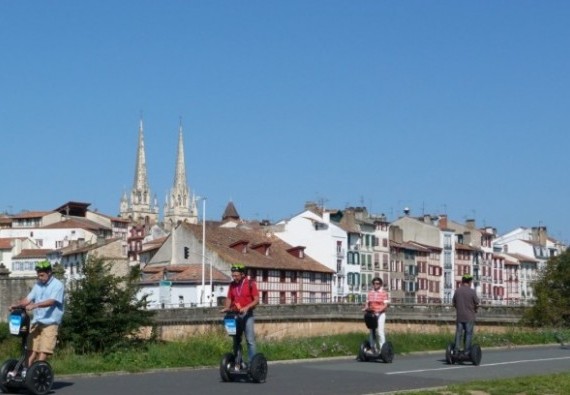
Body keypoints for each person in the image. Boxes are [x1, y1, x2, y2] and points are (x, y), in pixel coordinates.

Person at [9, 260, 65, 377]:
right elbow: (27, 300)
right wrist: (17, 305)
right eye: (38, 275)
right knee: (30, 348)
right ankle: (25, 372)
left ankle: (35, 374)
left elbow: (51, 301)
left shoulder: (58, 285)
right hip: (37, 322)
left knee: (44, 350)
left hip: (50, 323)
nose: (39, 278)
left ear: (49, 272)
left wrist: (35, 305)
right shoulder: (38, 285)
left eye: (42, 275)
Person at [221, 263, 260, 363]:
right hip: (235, 315)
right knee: (236, 341)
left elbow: (256, 300)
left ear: (243, 274)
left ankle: (252, 364)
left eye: (236, 275)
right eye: (233, 275)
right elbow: (229, 298)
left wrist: (247, 307)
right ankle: (239, 362)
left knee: (250, 341)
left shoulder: (251, 283)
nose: (234, 277)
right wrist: (226, 307)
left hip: (247, 315)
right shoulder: (232, 285)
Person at [452, 273, 480, 355]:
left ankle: (456, 350)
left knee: (458, 334)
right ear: (470, 282)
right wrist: (475, 309)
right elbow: (477, 303)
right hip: (469, 317)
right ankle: (466, 351)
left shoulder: (457, 291)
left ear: (462, 281)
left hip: (460, 317)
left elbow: (454, 303)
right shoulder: (472, 292)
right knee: (468, 334)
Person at [362, 277, 389, 351]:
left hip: (380, 314)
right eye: (374, 283)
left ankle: (382, 349)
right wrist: (365, 308)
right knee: (371, 331)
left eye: (377, 283)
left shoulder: (384, 293)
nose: (375, 285)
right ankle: (372, 347)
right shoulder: (370, 293)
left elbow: (386, 305)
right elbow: (367, 303)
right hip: (372, 314)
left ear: (380, 284)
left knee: (380, 331)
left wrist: (379, 310)